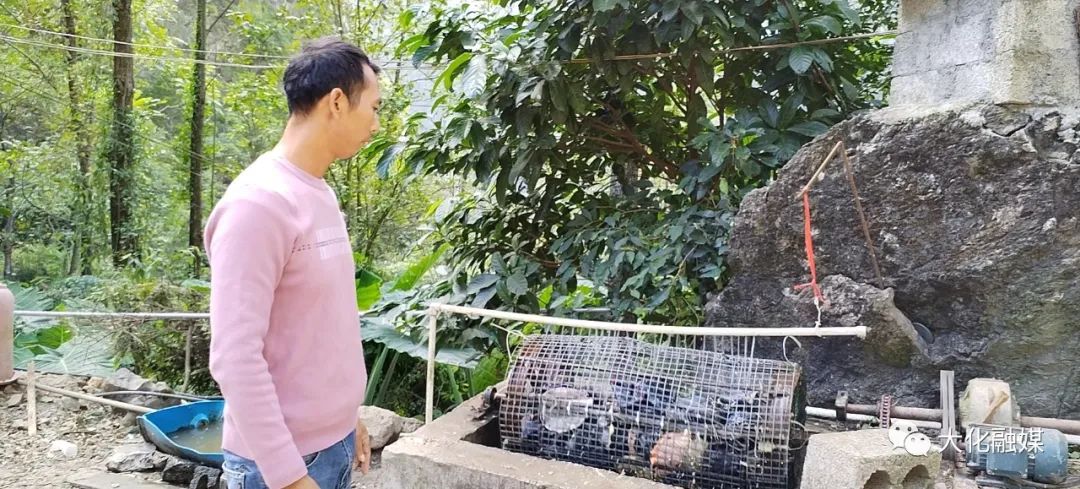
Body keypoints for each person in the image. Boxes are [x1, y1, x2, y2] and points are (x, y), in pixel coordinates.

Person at [204, 37, 381, 489]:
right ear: (337, 102)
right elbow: (235, 356)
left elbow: (320, 327)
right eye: (374, 108)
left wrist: (345, 420)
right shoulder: (257, 204)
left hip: (333, 446)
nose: (376, 124)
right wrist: (290, 478)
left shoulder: (318, 193)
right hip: (279, 468)